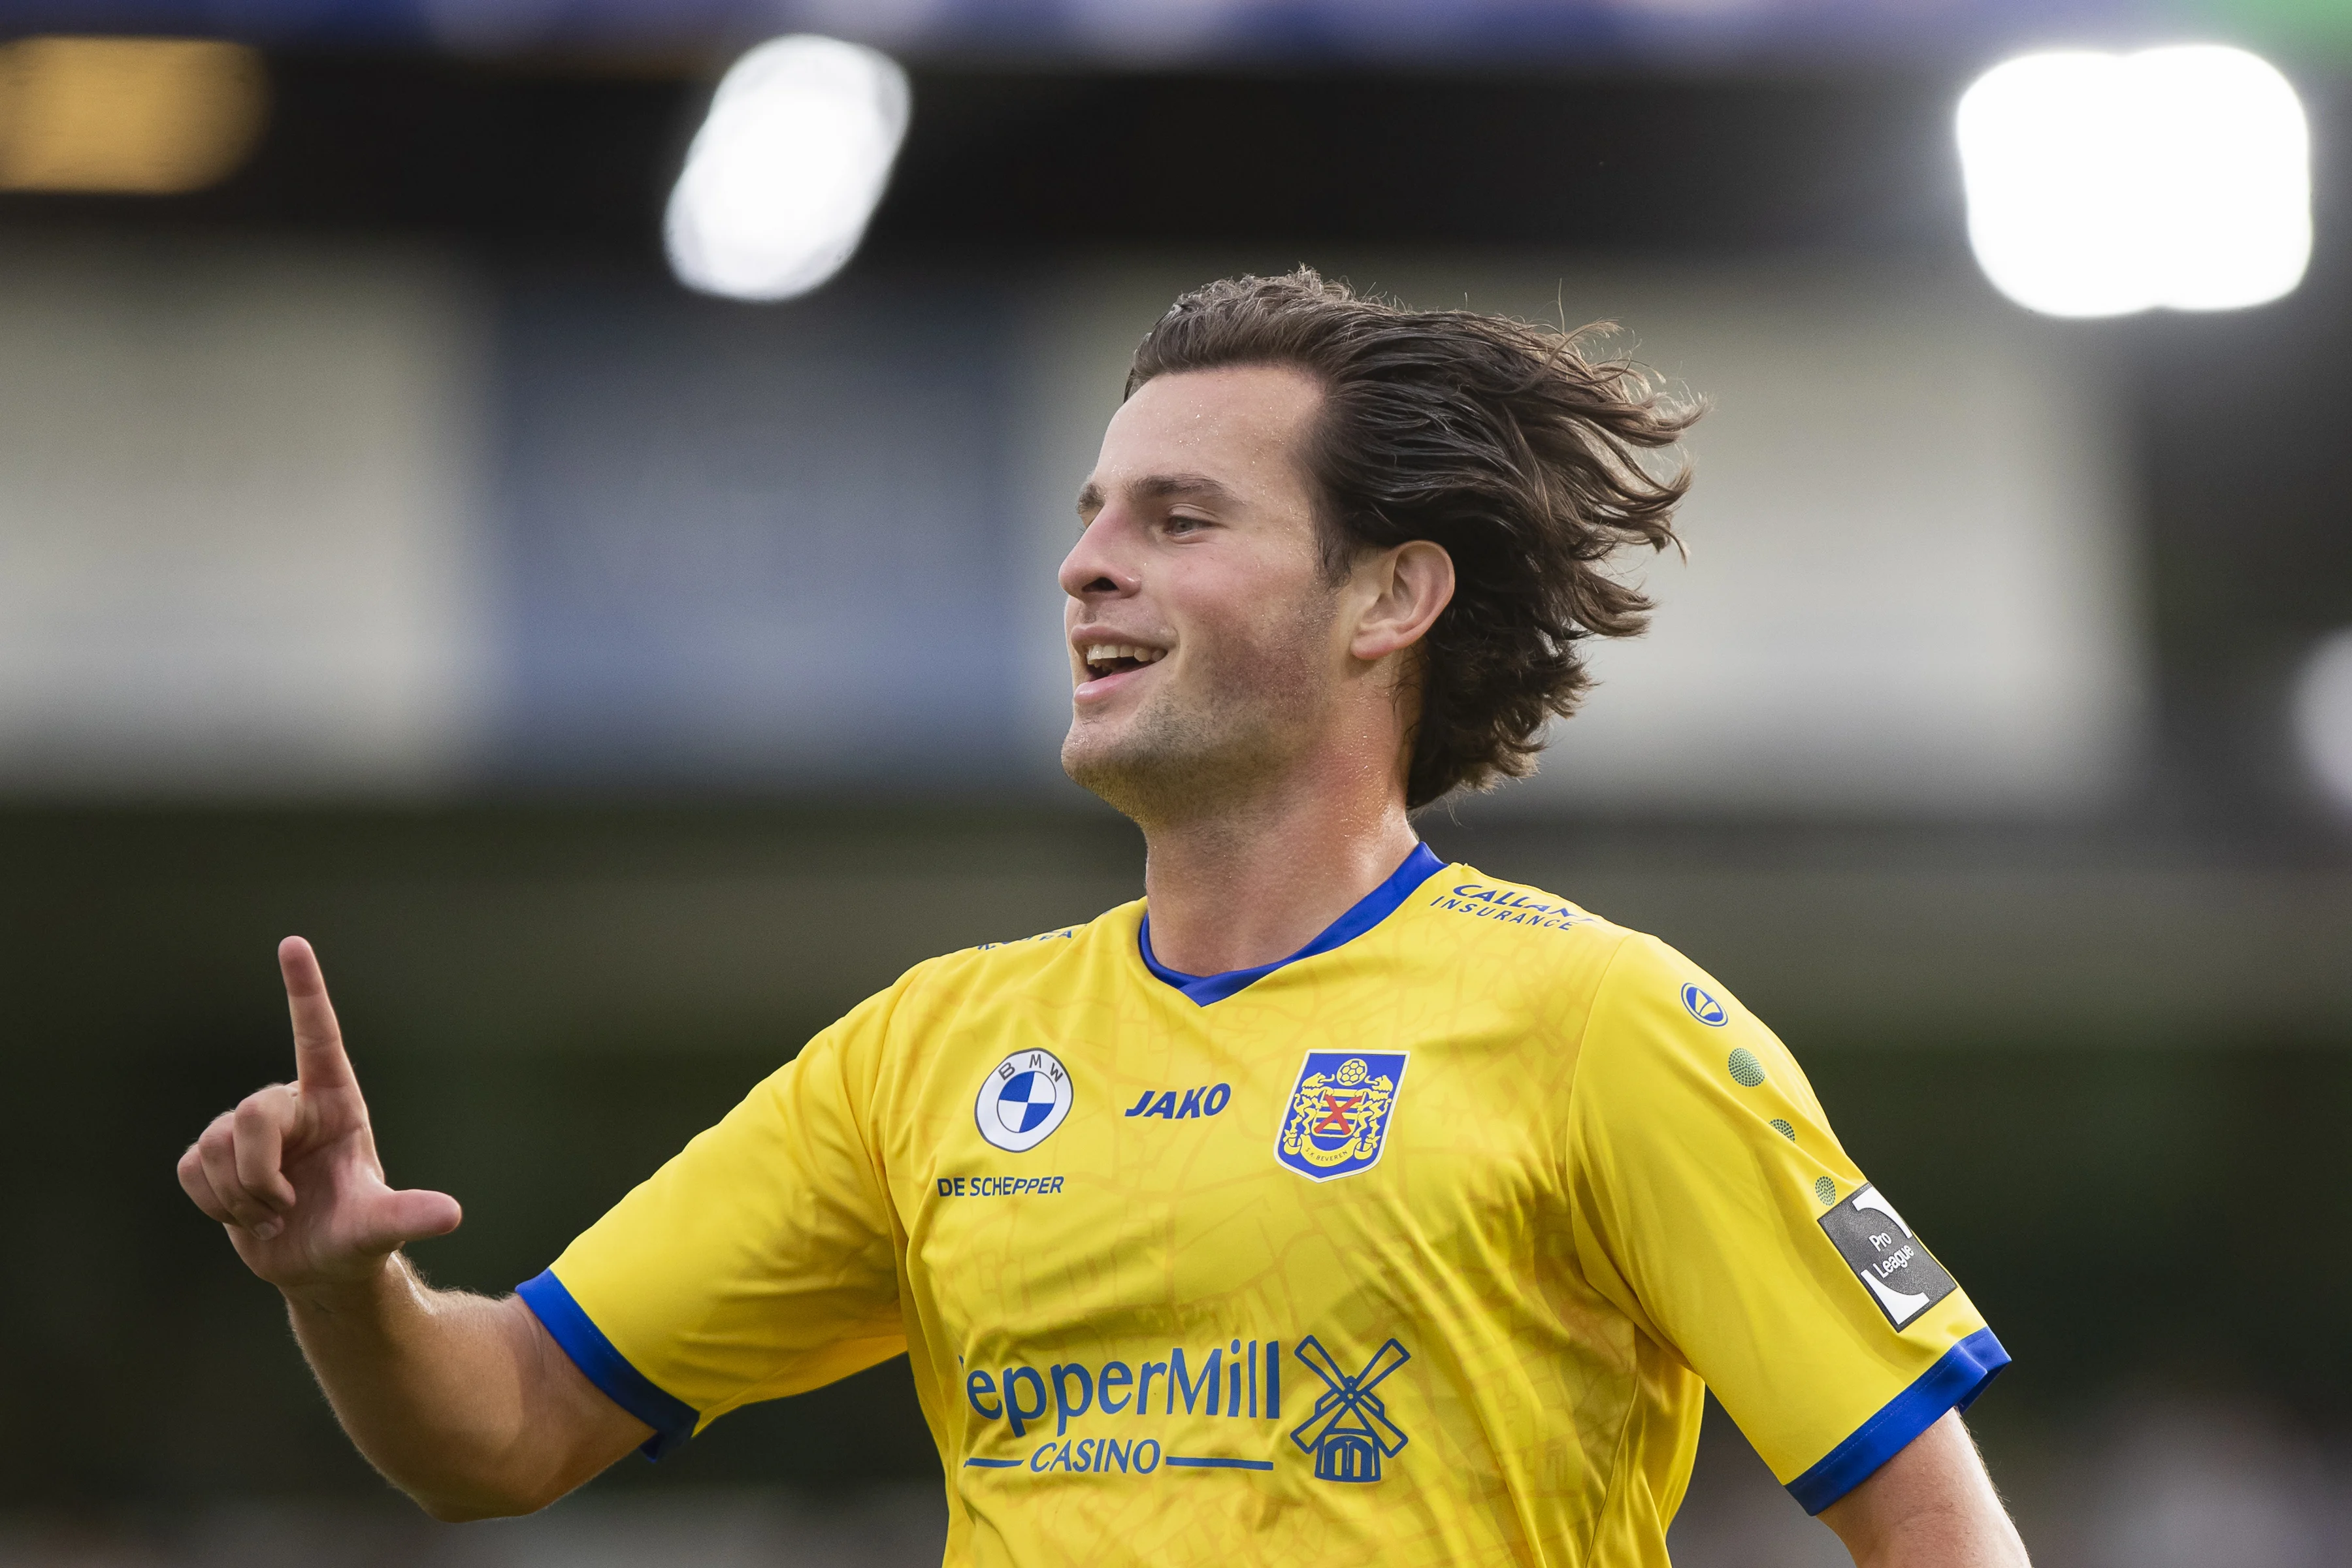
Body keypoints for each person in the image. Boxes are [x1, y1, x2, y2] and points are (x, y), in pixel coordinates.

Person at [179, 270, 2030, 1567]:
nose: (1087, 559)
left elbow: (1932, 1528)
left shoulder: (1602, 1027)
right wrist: (350, 1286)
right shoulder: (931, 1054)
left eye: (1178, 515)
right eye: (1087, 516)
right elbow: (499, 1429)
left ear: (1390, 594)